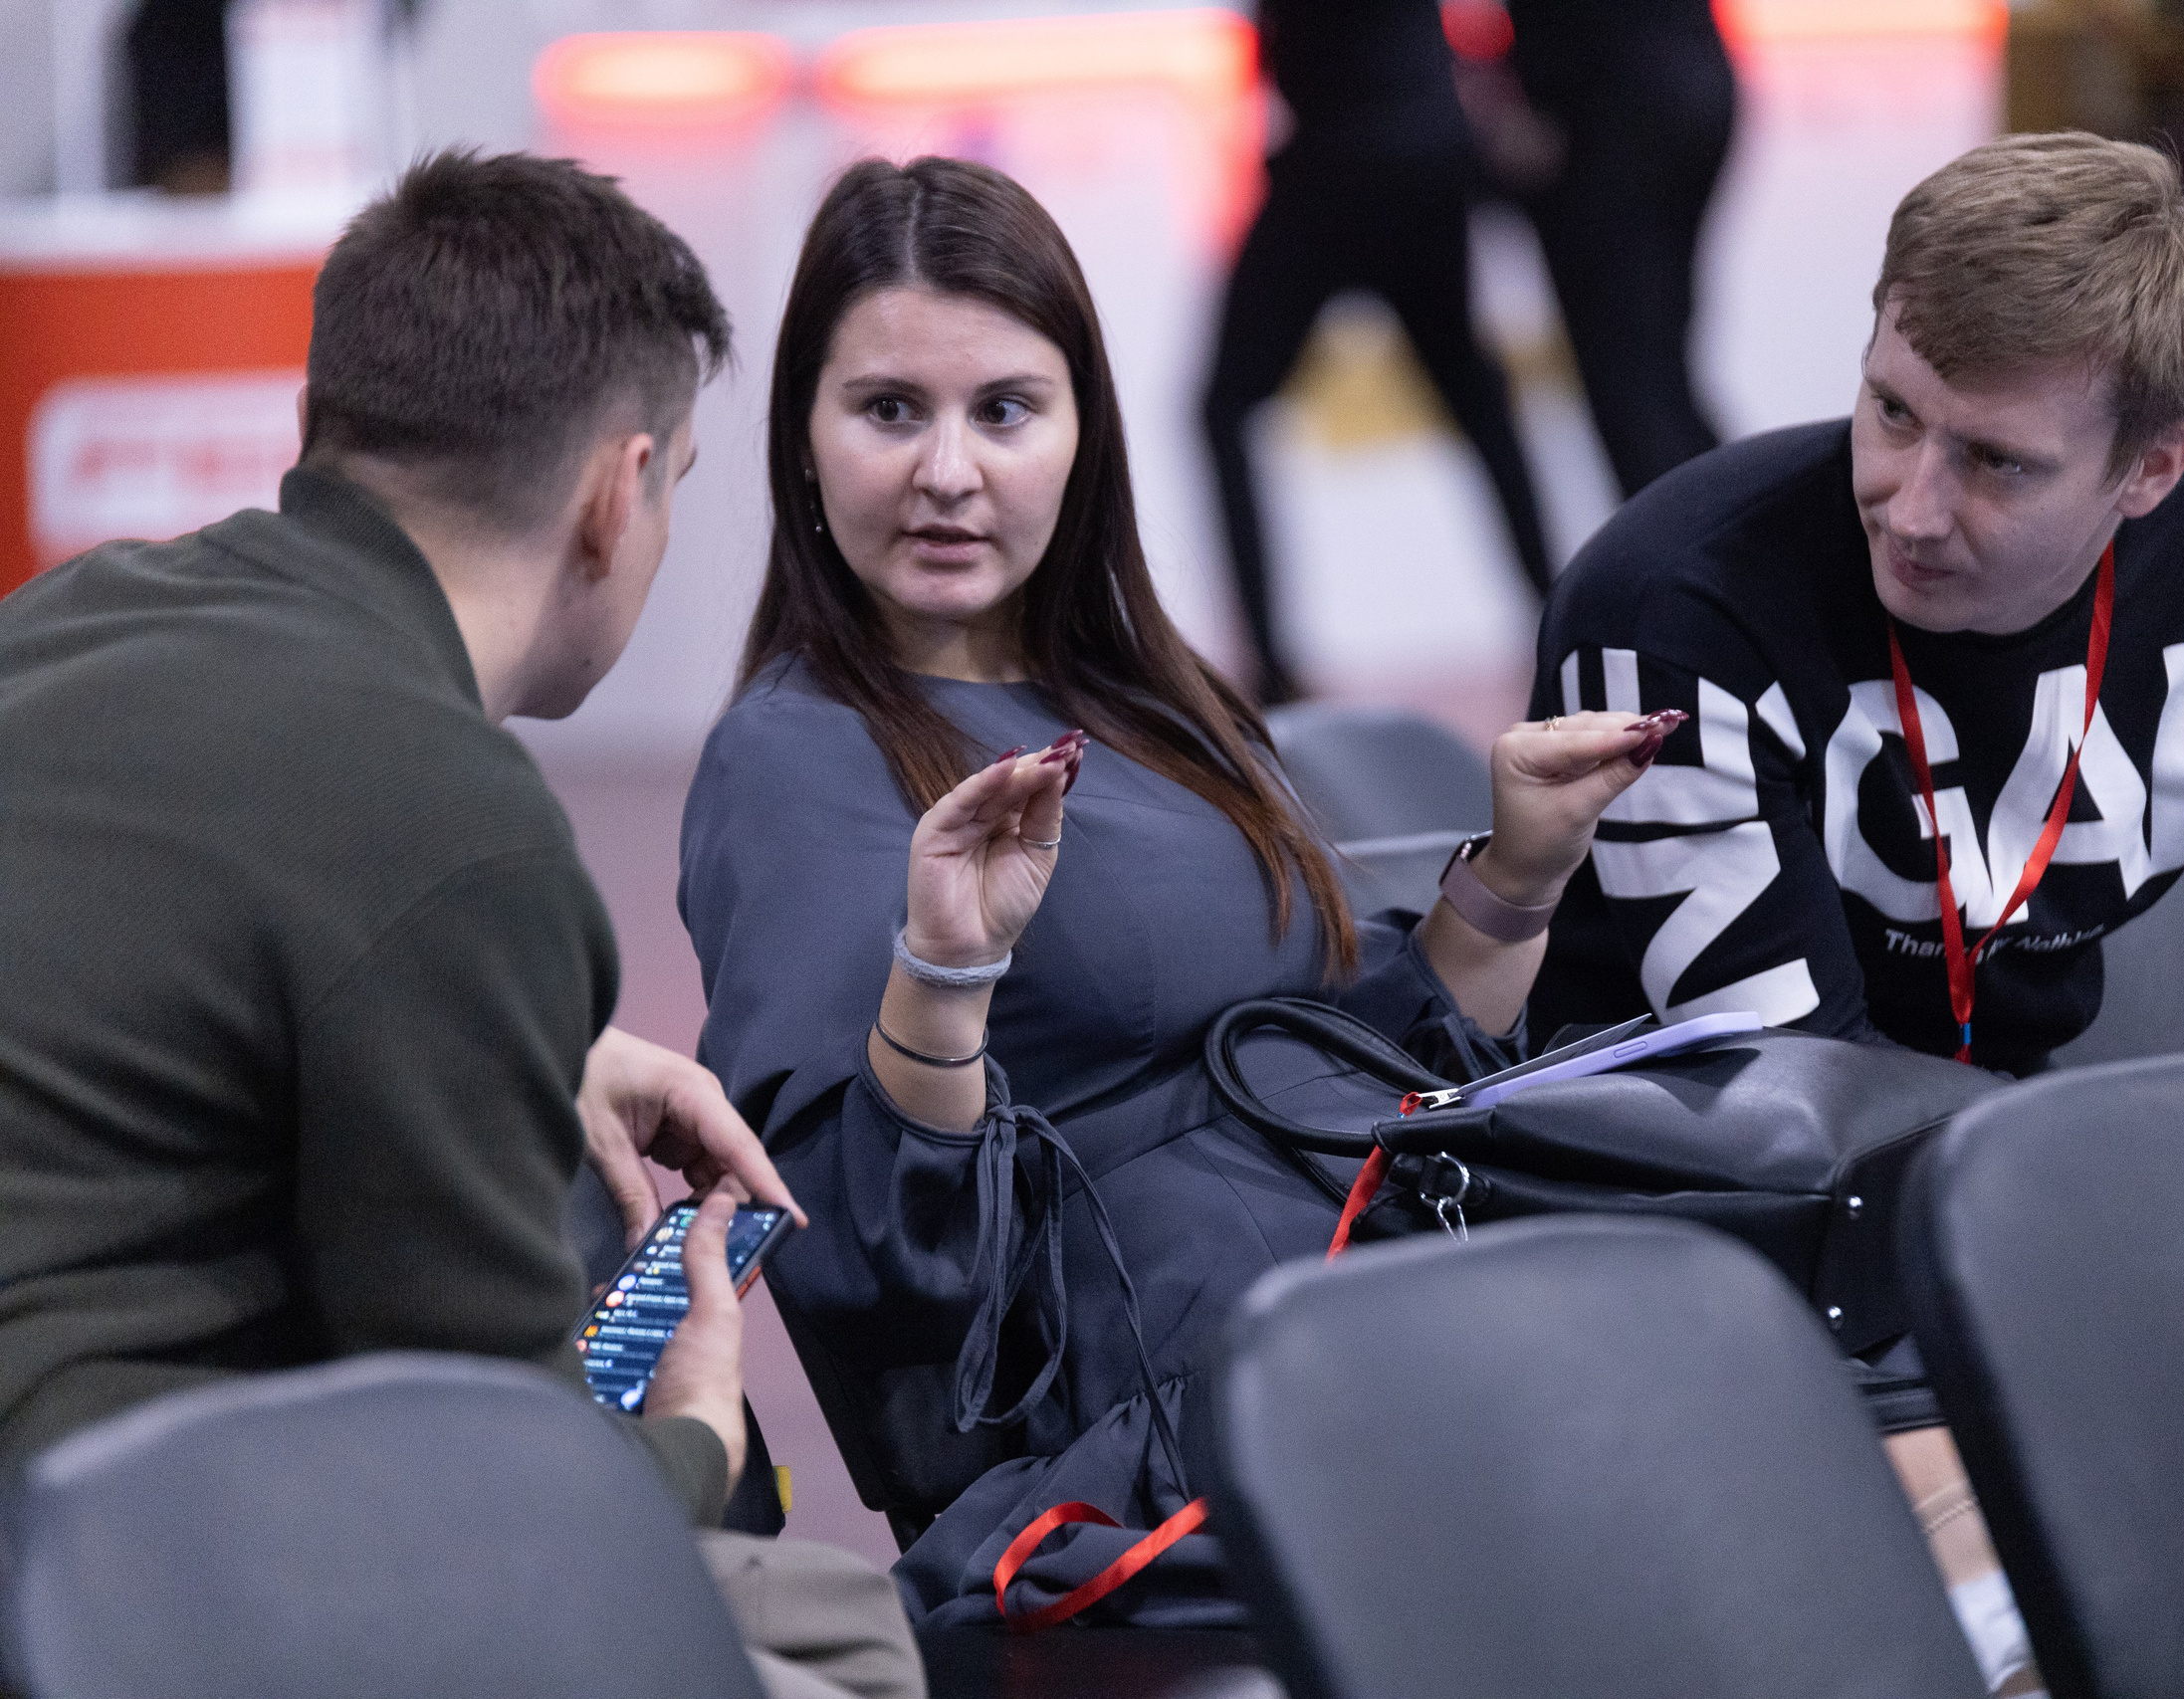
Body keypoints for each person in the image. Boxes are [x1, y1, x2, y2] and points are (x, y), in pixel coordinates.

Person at [681, 155, 1662, 1629]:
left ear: (1083, 434)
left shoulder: (1145, 694)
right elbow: (878, 1289)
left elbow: (1353, 1069)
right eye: (891, 409)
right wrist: (943, 976)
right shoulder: (800, 760)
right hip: (1158, 1449)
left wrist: (1519, 866)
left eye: (1004, 409)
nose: (949, 469)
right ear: (803, 439)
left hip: (1363, 1315)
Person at [0, 150, 921, 1699]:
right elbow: (500, 1509)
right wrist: (692, 1423)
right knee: (841, 1638)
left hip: (77, 1475)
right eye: (680, 486)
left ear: (324, 426)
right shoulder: (456, 820)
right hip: (102, 1568)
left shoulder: (75, 613)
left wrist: (528, 1035)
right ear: (615, 495)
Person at [1530, 131, 2184, 1078]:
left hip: (2009, 1162)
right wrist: (2165, 1126)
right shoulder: (1675, 605)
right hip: (1655, 1188)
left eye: (1998, 461)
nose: (1910, 512)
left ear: (2153, 467)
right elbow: (1790, 1105)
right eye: (1892, 412)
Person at [1200, 0, 1555, 702]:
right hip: (1416, 148)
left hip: (1342, 159)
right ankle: (1558, 612)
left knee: (1224, 407)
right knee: (1477, 402)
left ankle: (1272, 669)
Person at [1496, 0, 1739, 497]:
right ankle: (1728, 546)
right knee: (1656, 376)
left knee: (1634, 387)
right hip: (1684, 80)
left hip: (1601, 115)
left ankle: (1690, 557)